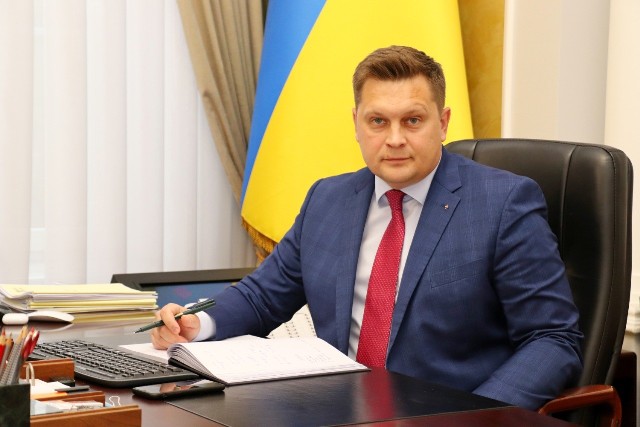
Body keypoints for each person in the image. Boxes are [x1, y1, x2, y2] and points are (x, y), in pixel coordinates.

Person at [151, 45, 583, 410]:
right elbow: (263, 296)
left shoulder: (503, 203)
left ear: (443, 123)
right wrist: (196, 324)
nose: (394, 139)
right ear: (357, 123)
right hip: (336, 410)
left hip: (443, 414)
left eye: (412, 120)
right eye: (378, 121)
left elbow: (552, 338)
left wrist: (480, 418)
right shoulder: (328, 199)